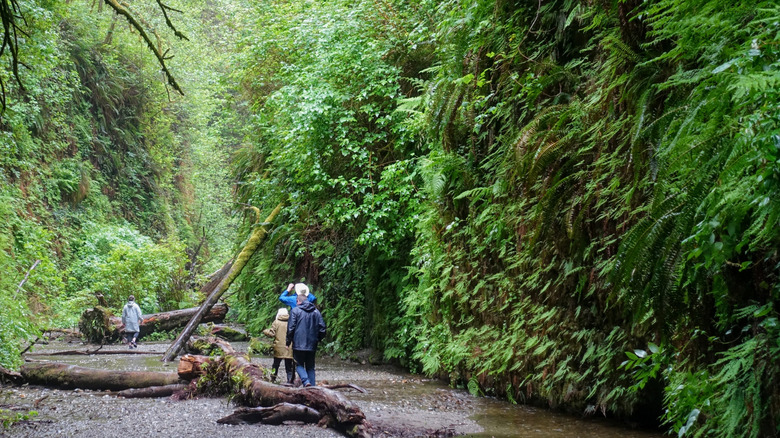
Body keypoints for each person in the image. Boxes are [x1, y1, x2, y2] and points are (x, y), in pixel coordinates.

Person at [286, 293, 326, 387]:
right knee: (310, 367)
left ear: (298, 301)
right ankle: (312, 387)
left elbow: (291, 328)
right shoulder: (316, 312)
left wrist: (288, 342)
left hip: (298, 344)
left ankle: (305, 381)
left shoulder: (295, 311)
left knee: (299, 364)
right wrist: (318, 339)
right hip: (312, 344)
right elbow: (322, 328)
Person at [262, 308, 294, 384]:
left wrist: (265, 331)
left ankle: (273, 379)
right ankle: (290, 381)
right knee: (289, 366)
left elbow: (272, 334)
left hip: (278, 347)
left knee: (276, 365)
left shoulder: (276, 322)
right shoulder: (291, 322)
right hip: (289, 347)